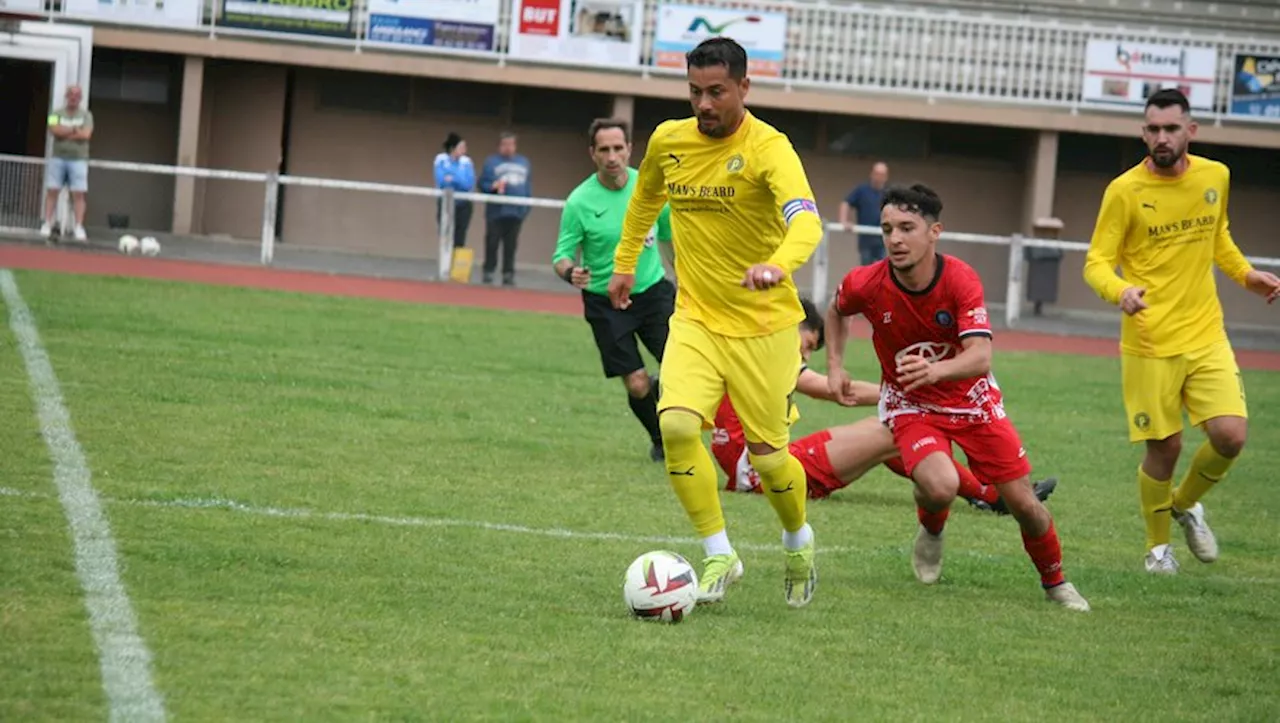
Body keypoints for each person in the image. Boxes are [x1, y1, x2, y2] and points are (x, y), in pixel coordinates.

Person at [608, 36, 825, 609]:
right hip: (697, 319)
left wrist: (777, 265)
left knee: (769, 455)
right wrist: (626, 264)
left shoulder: (771, 149)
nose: (703, 105)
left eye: (717, 93)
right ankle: (719, 553)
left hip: (765, 327)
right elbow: (643, 199)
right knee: (677, 428)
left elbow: (806, 223)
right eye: (695, 92)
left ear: (744, 88)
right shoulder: (667, 140)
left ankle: (798, 539)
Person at [825, 183, 1090, 612]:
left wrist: (936, 370)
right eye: (888, 227)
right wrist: (835, 366)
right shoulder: (867, 282)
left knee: (1025, 504)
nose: (894, 238)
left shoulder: (960, 279)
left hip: (973, 402)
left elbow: (981, 356)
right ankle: (932, 532)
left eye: (907, 227)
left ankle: (1056, 582)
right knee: (941, 485)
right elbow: (836, 310)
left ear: (934, 232)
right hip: (911, 405)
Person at [1082, 88, 1280, 575]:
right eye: (1153, 129)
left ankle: (1186, 503)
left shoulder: (1216, 176)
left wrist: (1247, 276)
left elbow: (1219, 238)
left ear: (1190, 130)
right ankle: (1157, 550)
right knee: (1165, 448)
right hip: (1150, 341)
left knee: (1231, 436)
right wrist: (1120, 291)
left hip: (1206, 332)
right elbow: (1096, 263)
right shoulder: (1124, 191)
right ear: (1142, 132)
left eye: (1171, 129)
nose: (1161, 137)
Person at [714, 299, 1060, 511]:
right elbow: (825, 388)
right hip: (758, 471)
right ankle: (988, 495)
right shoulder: (771, 351)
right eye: (806, 343)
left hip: (761, 463)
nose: (804, 354)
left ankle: (983, 494)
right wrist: (901, 395)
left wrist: (895, 398)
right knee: (896, 428)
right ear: (790, 326)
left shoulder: (757, 350)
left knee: (893, 427)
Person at [551, 118, 676, 463]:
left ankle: (679, 427)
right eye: (604, 149)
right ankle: (660, 440)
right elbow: (561, 255)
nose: (612, 157)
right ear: (592, 154)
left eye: (618, 148)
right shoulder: (579, 201)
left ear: (630, 150)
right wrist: (570, 272)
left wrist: (684, 279)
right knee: (636, 384)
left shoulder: (650, 188)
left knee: (680, 372)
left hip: (653, 292)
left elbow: (668, 238)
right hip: (604, 301)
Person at [41, 85, 94, 242]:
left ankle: (78, 227)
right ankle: (47, 223)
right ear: (66, 96)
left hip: (79, 160)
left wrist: (66, 132)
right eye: (71, 94)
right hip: (58, 158)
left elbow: (86, 134)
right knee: (52, 191)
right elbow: (53, 130)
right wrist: (74, 130)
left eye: (77, 95)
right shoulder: (55, 113)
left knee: (78, 193)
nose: (73, 98)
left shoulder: (87, 115)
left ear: (81, 98)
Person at [479, 132, 532, 286]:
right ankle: (488, 271)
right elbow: (482, 184)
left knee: (511, 244)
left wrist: (526, 208)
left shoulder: (524, 162)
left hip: (516, 212)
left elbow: (527, 187)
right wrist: (492, 187)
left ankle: (508, 274)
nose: (508, 148)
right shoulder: (491, 162)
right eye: (505, 144)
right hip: (496, 212)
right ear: (500, 146)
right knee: (492, 242)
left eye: (511, 144)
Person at [839, 161, 889, 266]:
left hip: (883, 241)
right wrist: (844, 221)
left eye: (882, 175)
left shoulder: (888, 193)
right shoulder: (862, 191)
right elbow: (846, 203)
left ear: (886, 177)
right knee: (866, 272)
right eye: (876, 174)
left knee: (884, 270)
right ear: (871, 174)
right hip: (866, 242)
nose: (878, 177)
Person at [433, 132, 476, 250]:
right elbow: (441, 182)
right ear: (453, 148)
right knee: (445, 236)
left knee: (460, 238)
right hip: (446, 202)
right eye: (461, 147)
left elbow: (468, 184)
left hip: (464, 204)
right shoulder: (440, 159)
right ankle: (444, 267)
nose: (464, 150)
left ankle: (456, 267)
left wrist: (453, 178)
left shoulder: (467, 162)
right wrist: (458, 179)